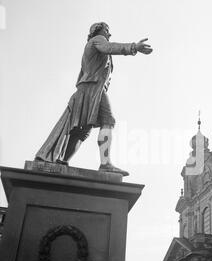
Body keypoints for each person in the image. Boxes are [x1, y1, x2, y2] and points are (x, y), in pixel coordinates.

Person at [35, 22, 152, 175]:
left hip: (87, 89)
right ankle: (105, 163)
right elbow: (110, 47)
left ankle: (61, 160)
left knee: (81, 131)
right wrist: (133, 47)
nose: (109, 34)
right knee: (108, 121)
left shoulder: (92, 47)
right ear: (97, 30)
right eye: (107, 30)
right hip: (92, 88)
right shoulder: (97, 40)